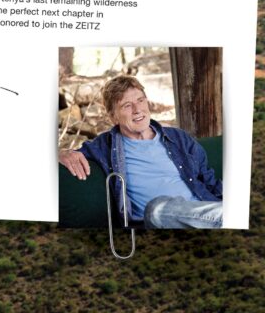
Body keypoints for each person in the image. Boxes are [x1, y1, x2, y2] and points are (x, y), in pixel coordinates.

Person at [58, 75, 222, 228]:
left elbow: (209, 180)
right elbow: (62, 155)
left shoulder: (179, 138)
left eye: (140, 100)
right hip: (158, 220)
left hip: (205, 215)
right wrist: (60, 153)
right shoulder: (104, 146)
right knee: (157, 208)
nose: (137, 109)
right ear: (113, 117)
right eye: (127, 105)